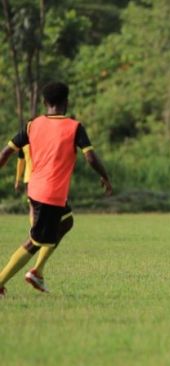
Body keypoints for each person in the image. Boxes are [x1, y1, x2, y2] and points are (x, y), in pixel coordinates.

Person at [0, 81, 112, 298]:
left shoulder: (33, 125)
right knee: (34, 242)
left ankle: (38, 271)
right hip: (49, 195)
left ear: (44, 102)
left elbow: (5, 153)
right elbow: (89, 156)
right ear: (66, 102)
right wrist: (105, 176)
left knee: (67, 222)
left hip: (37, 189)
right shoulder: (74, 127)